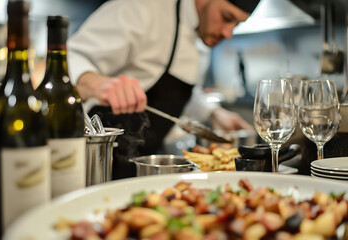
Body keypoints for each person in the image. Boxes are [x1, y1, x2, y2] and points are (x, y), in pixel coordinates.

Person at [67, 0, 260, 179]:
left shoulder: (202, 35)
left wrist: (214, 113)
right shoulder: (141, 9)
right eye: (227, 18)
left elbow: (179, 93)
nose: (228, 33)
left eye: (236, 25)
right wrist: (96, 83)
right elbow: (68, 57)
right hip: (94, 163)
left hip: (143, 166)